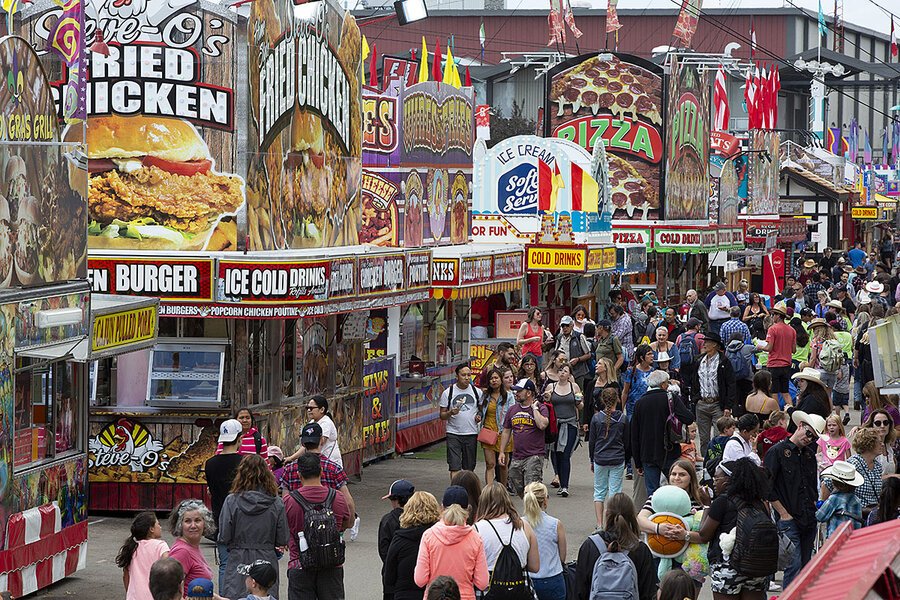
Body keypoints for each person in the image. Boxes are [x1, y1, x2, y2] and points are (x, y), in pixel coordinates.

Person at [763, 410, 826, 589]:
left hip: (808, 517)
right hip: (789, 519)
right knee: (794, 564)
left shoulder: (808, 456)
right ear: (800, 426)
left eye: (813, 438)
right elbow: (767, 488)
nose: (809, 439)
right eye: (808, 434)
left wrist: (815, 507)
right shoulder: (776, 452)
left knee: (806, 565)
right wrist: (783, 513)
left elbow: (812, 487)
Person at [697, 458, 773, 599]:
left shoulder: (722, 502)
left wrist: (707, 505)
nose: (713, 481)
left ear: (727, 480)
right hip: (754, 567)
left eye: (717, 478)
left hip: (728, 567)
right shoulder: (759, 503)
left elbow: (704, 535)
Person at [218, 453, 290, 600]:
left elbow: (224, 535)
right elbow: (282, 538)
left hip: (239, 559)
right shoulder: (276, 503)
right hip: (266, 559)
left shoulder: (232, 500)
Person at [284, 453, 353, 600]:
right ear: (321, 472)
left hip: (300, 564)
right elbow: (348, 522)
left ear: (299, 474)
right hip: (332, 564)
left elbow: (284, 529)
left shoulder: (289, 501)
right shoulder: (337, 498)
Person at [574, 492, 658, 600]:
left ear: (606, 514)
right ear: (633, 516)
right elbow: (649, 592)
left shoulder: (590, 546)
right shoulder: (640, 549)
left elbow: (579, 590)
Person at [414, 486, 489, 600]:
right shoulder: (475, 538)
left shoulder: (429, 536)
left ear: (443, 508)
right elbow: (482, 583)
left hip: (435, 596)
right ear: (467, 509)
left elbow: (420, 580)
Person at [631, 370, 695, 497]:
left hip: (647, 454)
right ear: (663, 384)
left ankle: (654, 515)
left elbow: (634, 435)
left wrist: (638, 462)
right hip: (669, 451)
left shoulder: (640, 403)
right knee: (677, 488)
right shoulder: (671, 399)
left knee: (652, 492)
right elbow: (689, 418)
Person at [279, 422, 356, 524]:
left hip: (298, 532)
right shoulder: (334, 469)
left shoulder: (289, 469)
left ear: (302, 444)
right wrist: (348, 524)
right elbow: (348, 502)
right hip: (329, 530)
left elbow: (285, 503)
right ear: (322, 441)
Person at [205, 419, 245, 587]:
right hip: (243, 520)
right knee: (245, 567)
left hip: (220, 519)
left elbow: (211, 490)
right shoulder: (244, 463)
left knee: (224, 566)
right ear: (239, 439)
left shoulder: (210, 464)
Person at [383, 491, 442, 600]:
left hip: (404, 593)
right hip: (433, 593)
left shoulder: (399, 539)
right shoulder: (439, 538)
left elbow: (389, 577)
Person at [499, 379, 550, 497]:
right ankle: (529, 510)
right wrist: (502, 452)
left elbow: (542, 425)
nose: (516, 394)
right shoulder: (512, 409)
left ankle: (537, 513)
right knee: (518, 487)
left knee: (532, 491)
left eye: (519, 391)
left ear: (529, 393)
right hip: (517, 456)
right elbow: (506, 431)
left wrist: (534, 408)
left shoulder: (541, 408)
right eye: (515, 391)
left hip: (534, 455)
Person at [636, 459, 711, 537]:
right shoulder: (660, 495)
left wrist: (685, 535)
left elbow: (708, 531)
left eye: (682, 474)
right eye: (673, 474)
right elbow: (640, 520)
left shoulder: (701, 498)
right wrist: (658, 528)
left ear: (691, 478)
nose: (676, 478)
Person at [691, 332, 736, 457]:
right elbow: (694, 380)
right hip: (702, 403)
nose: (704, 344)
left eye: (708, 342)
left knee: (719, 436)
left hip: (718, 404)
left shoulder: (724, 362)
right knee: (704, 438)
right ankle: (707, 463)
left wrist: (728, 406)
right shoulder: (699, 360)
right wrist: (696, 398)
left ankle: (718, 461)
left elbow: (731, 384)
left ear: (715, 345)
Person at [590, 387, 628, 528]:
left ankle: (599, 524)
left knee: (599, 492)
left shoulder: (596, 418)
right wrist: (626, 459)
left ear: (602, 400)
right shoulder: (622, 419)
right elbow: (626, 441)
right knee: (615, 492)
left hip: (600, 458)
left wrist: (591, 459)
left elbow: (592, 442)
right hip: (617, 458)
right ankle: (611, 524)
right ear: (617, 400)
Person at [544, 363, 582, 497]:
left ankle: (565, 486)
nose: (562, 373)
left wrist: (579, 401)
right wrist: (547, 397)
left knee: (565, 454)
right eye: (560, 370)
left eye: (565, 371)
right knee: (556, 454)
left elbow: (580, 405)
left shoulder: (574, 386)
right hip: (555, 425)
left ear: (570, 375)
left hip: (570, 424)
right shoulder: (551, 387)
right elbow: (545, 403)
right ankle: (559, 479)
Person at [439, 363, 483, 481]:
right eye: (463, 375)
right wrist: (450, 413)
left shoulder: (477, 392)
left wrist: (479, 415)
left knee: (469, 468)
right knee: (454, 467)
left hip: (471, 433)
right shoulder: (448, 393)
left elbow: (482, 410)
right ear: (457, 376)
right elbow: (442, 415)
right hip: (453, 433)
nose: (467, 377)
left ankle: (468, 492)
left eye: (469, 375)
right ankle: (455, 492)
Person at [523, 482, 566, 600]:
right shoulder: (555, 524)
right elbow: (562, 557)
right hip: (552, 578)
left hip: (528, 579)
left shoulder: (519, 524)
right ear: (545, 501)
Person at [167, 500, 215, 598]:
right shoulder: (182, 552)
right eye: (187, 521)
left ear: (205, 523)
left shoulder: (192, 546)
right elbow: (170, 591)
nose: (193, 526)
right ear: (180, 525)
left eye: (197, 520)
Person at [117, 512, 170, 600]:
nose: (160, 527)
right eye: (158, 524)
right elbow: (168, 570)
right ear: (151, 529)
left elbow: (125, 575)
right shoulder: (161, 546)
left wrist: (130, 593)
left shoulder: (132, 547)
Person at [755, 303, 796, 408]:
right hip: (786, 363)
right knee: (785, 392)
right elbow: (794, 350)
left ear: (778, 316)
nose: (772, 316)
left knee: (774, 392)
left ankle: (776, 414)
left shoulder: (772, 329)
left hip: (774, 363)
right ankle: (791, 412)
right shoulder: (792, 330)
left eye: (773, 314)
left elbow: (769, 348)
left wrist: (760, 346)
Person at [379, 478, 415, 596]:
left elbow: (383, 549)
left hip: (392, 577)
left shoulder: (387, 520)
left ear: (395, 499)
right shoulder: (419, 519)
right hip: (413, 575)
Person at [285, 396, 343, 468]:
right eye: (307, 408)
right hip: (317, 463)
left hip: (330, 463)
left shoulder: (326, 423)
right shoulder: (312, 422)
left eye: (311, 408)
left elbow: (312, 444)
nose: (309, 410)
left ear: (322, 409)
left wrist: (291, 458)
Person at [478, 368, 513, 486]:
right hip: (488, 431)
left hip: (504, 432)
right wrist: (478, 416)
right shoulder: (485, 396)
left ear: (501, 380)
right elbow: (481, 411)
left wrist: (510, 435)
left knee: (503, 464)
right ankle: (489, 491)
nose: (494, 381)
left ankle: (502, 490)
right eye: (491, 378)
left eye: (496, 378)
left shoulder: (509, 396)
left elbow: (512, 415)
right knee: (490, 464)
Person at [816, 461, 864, 536]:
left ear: (834, 482)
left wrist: (821, 500)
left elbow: (820, 516)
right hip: (853, 538)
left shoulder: (834, 498)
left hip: (837, 539)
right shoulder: (856, 499)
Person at [555, 315, 592, 395]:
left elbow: (588, 354)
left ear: (572, 325)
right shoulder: (559, 337)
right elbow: (556, 354)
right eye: (562, 326)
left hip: (578, 371)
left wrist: (578, 359)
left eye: (567, 325)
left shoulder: (579, 336)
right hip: (564, 372)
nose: (565, 328)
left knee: (578, 394)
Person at [622, 344, 654, 417]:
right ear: (642, 357)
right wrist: (621, 409)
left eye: (652, 353)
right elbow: (625, 391)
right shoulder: (632, 371)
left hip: (648, 408)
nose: (652, 356)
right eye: (649, 354)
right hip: (632, 408)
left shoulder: (654, 372)